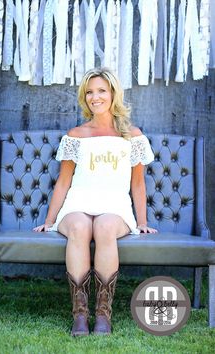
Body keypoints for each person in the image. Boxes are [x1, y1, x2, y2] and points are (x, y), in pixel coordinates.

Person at [33, 67, 157, 336]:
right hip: (78, 203)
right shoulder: (76, 135)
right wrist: (50, 220)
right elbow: (64, 181)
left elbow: (137, 183)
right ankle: (79, 315)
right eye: (89, 92)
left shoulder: (132, 136)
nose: (95, 97)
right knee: (79, 227)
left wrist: (143, 221)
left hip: (115, 207)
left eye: (101, 90)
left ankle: (103, 315)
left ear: (114, 93)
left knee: (104, 227)